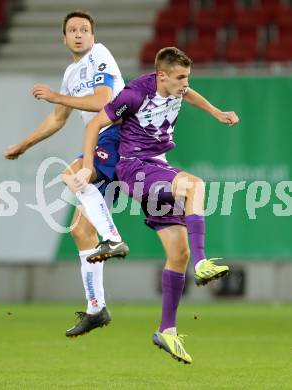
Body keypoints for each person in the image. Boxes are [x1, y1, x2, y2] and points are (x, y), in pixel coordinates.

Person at [79, 47, 239, 363]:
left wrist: (217, 112)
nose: (185, 84)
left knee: (178, 252)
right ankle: (203, 263)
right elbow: (94, 124)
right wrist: (87, 165)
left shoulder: (176, 87)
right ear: (161, 75)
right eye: (180, 78)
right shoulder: (135, 94)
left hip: (156, 167)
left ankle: (167, 331)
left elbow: (189, 94)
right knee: (195, 185)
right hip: (135, 167)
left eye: (187, 77)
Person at [4, 10, 129, 338]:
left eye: (84, 29)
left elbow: (103, 101)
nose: (78, 34)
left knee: (73, 174)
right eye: (72, 30)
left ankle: (113, 237)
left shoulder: (100, 55)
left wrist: (56, 96)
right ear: (63, 38)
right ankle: (96, 308)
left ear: (92, 35)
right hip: (100, 141)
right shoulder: (71, 73)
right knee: (79, 230)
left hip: (118, 135)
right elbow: (58, 119)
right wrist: (24, 144)